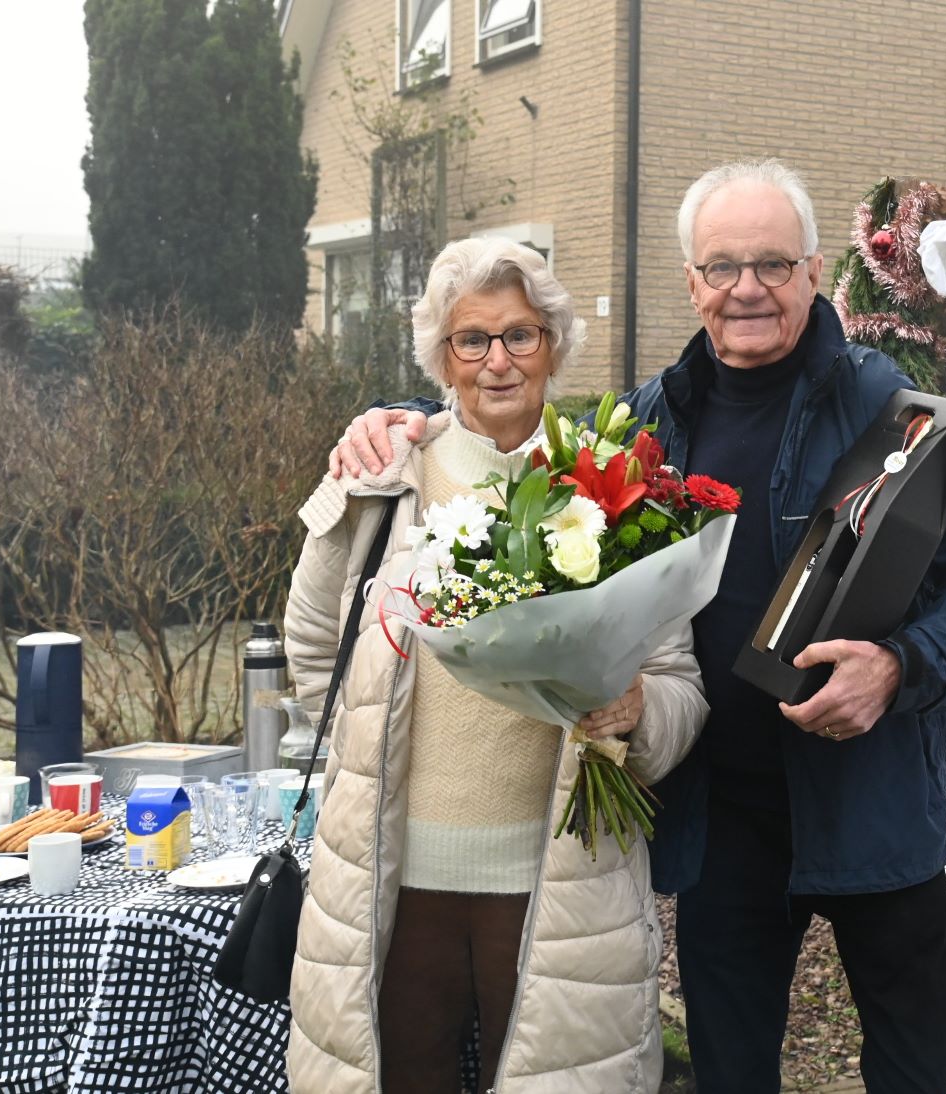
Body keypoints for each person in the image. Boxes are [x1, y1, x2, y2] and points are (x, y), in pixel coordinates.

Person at [329, 160, 946, 1094]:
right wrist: (410, 419)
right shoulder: (649, 421)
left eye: (774, 265)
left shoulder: (887, 411)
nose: (747, 288)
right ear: (691, 283)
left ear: (816, 273)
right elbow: (516, 443)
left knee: (910, 1073)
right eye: (723, 266)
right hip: (722, 828)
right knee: (729, 1073)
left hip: (874, 813)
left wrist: (899, 668)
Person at [288, 237, 706, 1094]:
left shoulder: (615, 487)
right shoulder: (381, 476)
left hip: (556, 886)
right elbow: (309, 648)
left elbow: (681, 691)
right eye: (470, 340)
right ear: (442, 357)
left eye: (521, 335)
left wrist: (634, 710)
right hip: (395, 887)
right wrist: (354, 766)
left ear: (554, 343)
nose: (497, 361)